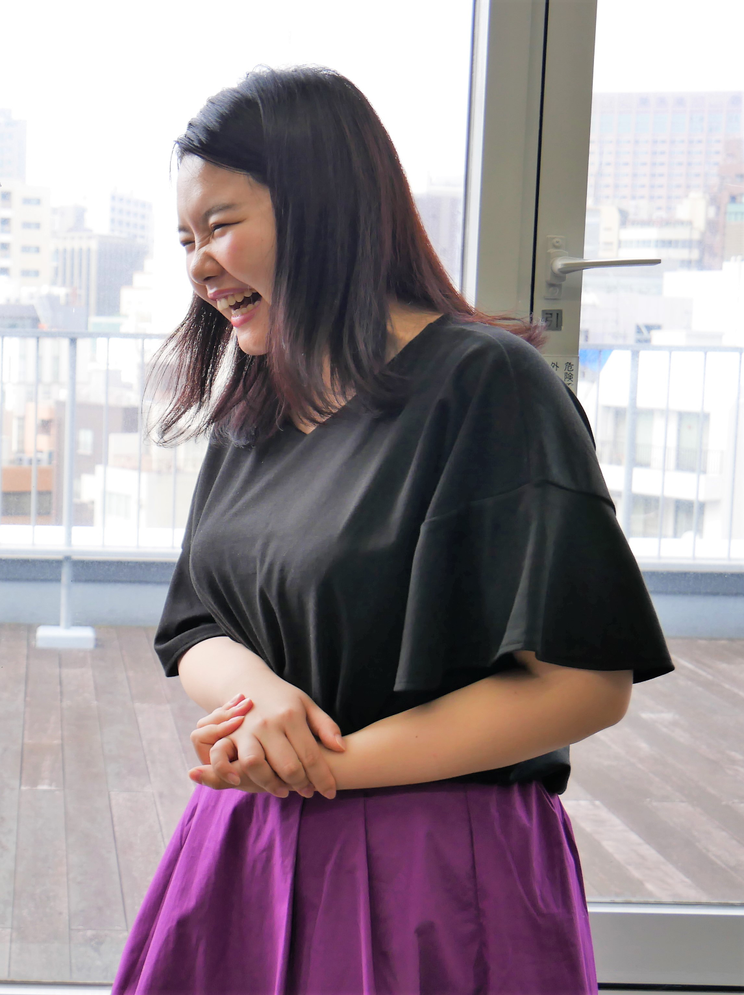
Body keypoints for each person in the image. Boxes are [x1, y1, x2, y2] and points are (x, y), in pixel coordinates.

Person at [114, 67, 673, 995]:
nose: (199, 266)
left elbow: (583, 682)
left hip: (436, 870)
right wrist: (263, 700)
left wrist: (321, 765)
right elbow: (195, 624)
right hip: (249, 844)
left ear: (322, 207)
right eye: (185, 239)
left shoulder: (489, 385)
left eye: (219, 225)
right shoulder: (258, 402)